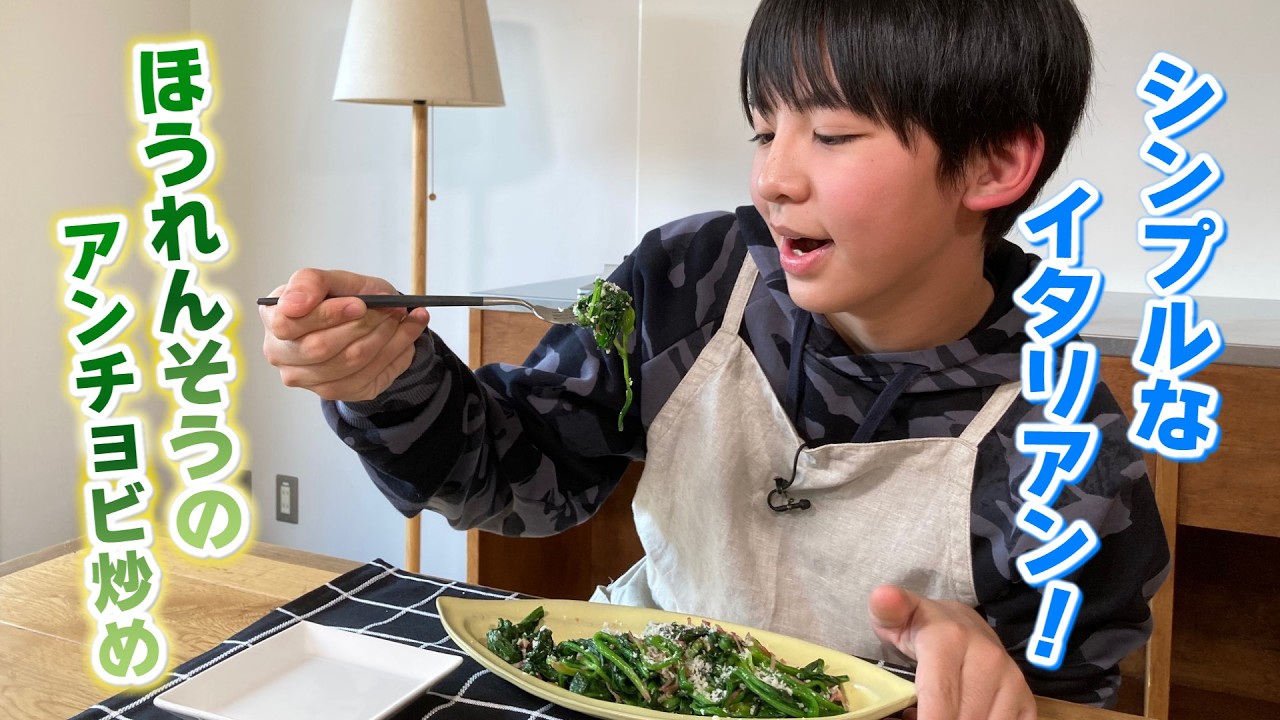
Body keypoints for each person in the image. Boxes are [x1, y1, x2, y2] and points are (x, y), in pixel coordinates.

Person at [261, 0, 1169, 717]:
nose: (773, 176)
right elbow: (524, 477)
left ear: (992, 165)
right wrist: (391, 384)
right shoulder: (689, 277)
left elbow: (1070, 688)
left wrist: (995, 671)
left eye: (833, 133)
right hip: (616, 687)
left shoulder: (1067, 448)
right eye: (764, 130)